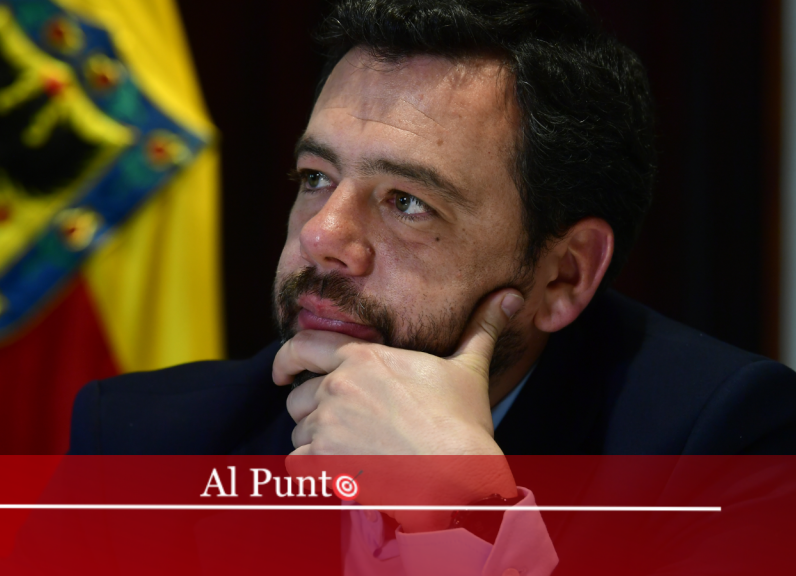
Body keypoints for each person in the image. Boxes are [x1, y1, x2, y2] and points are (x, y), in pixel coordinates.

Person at [67, 0, 796, 573]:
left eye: (407, 202)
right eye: (316, 177)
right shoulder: (144, 446)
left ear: (564, 274)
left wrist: (465, 515)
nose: (322, 235)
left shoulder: (719, 453)